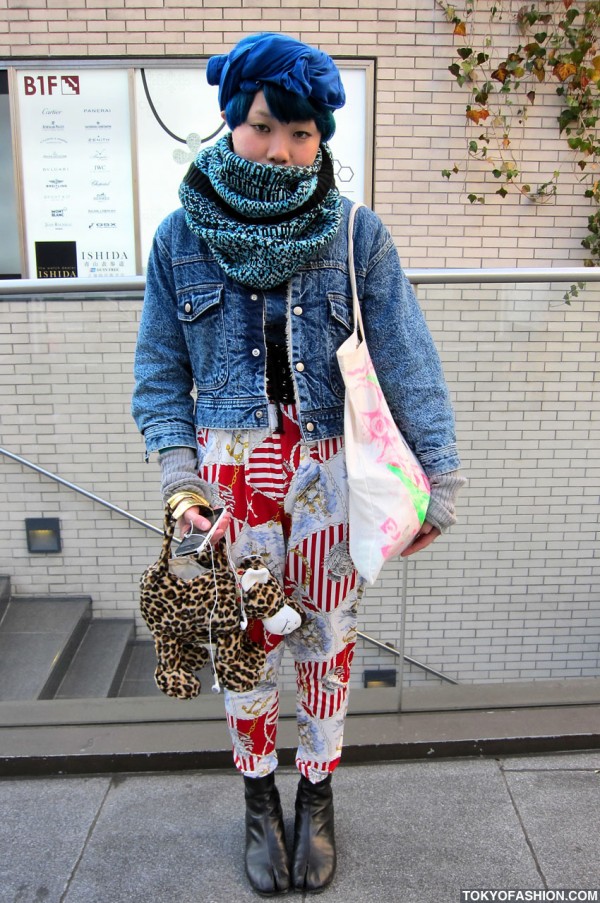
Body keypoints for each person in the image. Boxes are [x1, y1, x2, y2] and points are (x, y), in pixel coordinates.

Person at [132, 32, 464, 896]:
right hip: (227, 478)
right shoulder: (179, 239)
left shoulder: (356, 234)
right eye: (267, 126)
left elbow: (410, 363)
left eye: (304, 134)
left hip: (330, 473)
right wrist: (178, 483)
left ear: (323, 141)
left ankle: (314, 797)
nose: (283, 150)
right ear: (231, 122)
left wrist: (439, 484)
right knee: (243, 643)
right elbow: (160, 374)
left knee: (325, 643)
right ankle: (255, 798)